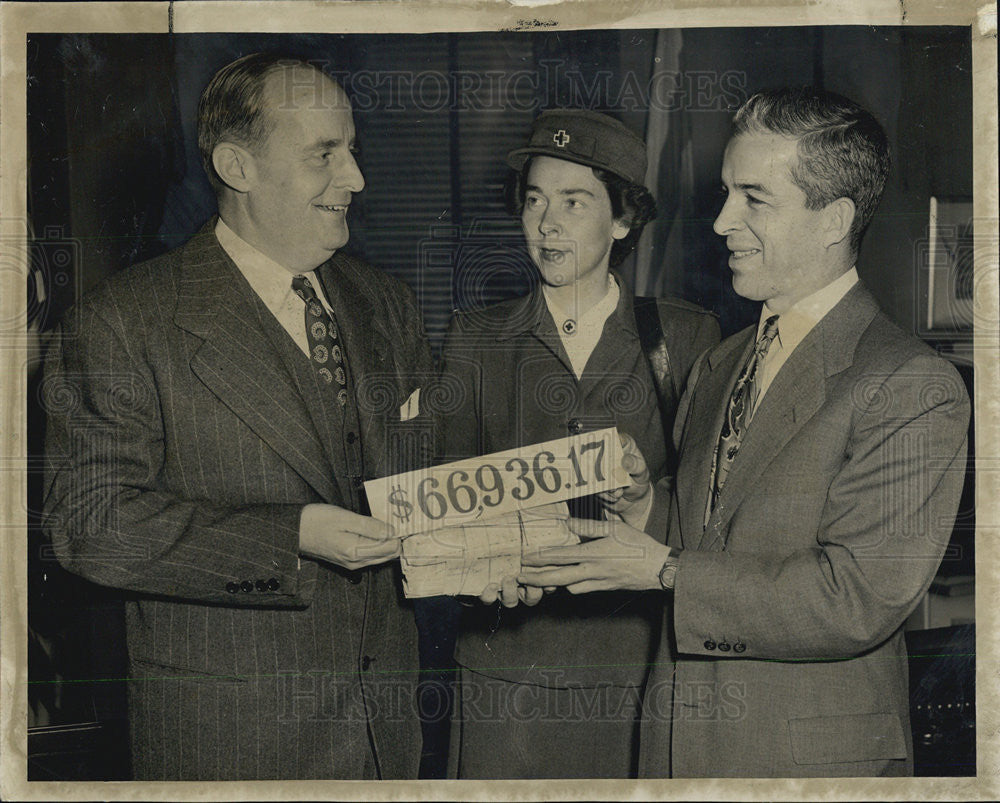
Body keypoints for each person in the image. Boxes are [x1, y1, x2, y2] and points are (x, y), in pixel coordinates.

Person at [520, 87, 971, 777]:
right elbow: (710, 536)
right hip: (679, 749)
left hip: (808, 767)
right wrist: (644, 505)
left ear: (833, 220)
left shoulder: (910, 384)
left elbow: (855, 595)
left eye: (753, 198)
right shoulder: (722, 360)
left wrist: (665, 569)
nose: (723, 220)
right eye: (728, 192)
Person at [42, 53, 432, 780]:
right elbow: (91, 524)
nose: (356, 178)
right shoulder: (126, 323)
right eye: (325, 154)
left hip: (387, 740)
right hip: (233, 747)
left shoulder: (386, 304)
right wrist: (289, 538)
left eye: (353, 149)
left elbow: (427, 480)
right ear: (237, 167)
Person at [434, 109, 720, 779]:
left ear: (623, 220)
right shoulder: (475, 338)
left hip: (638, 671)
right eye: (534, 200)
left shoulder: (683, 337)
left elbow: (713, 509)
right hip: (507, 678)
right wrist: (484, 559)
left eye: (573, 201)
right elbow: (441, 501)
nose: (547, 222)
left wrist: (646, 491)